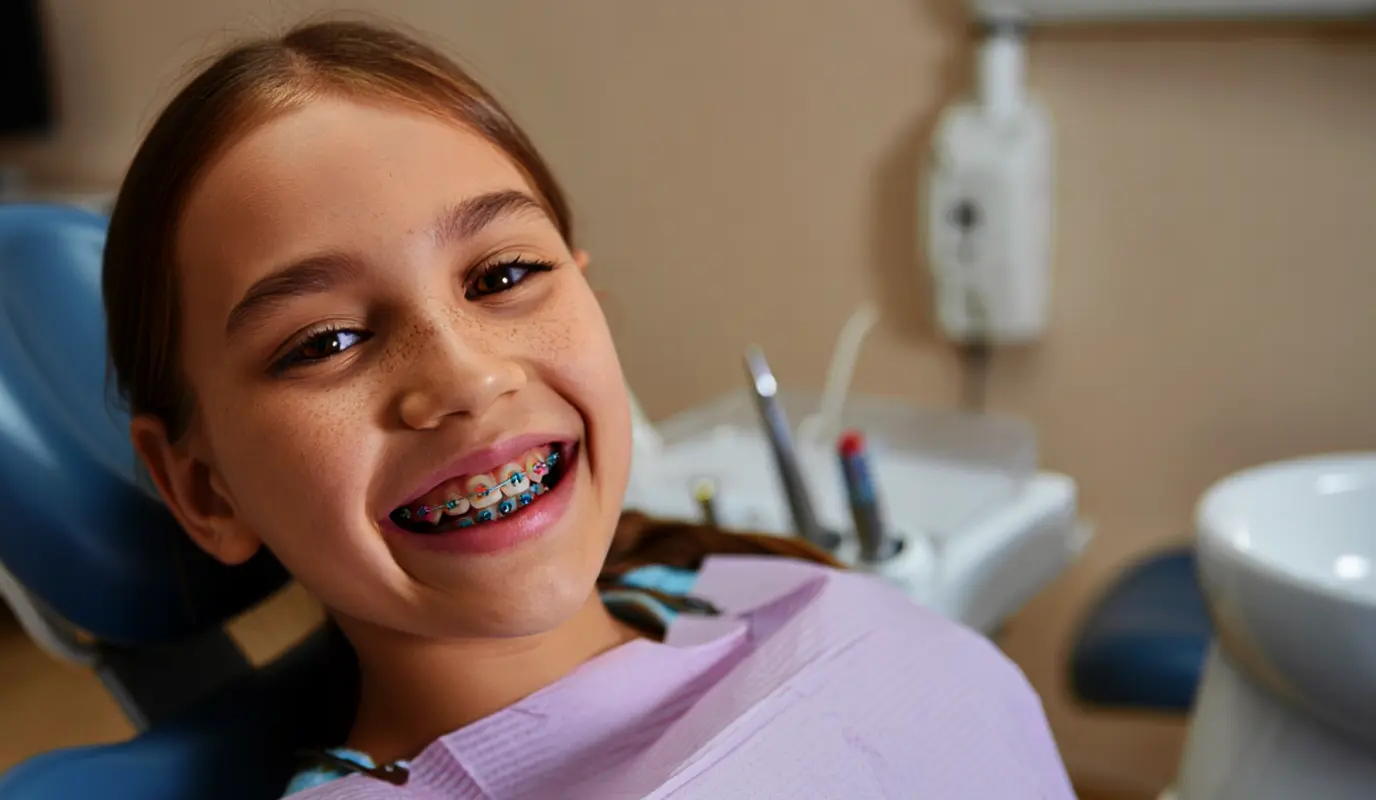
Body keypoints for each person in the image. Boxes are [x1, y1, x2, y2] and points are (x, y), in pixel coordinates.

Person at [105, 18, 1077, 799]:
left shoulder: (784, 591)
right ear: (203, 488)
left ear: (591, 301)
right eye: (325, 341)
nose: (467, 378)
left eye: (504, 274)